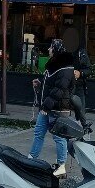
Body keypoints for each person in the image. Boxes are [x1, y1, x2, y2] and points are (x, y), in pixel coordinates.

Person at [29, 39, 76, 177]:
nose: (48, 49)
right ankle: (31, 160)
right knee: (38, 132)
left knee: (59, 137)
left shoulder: (66, 68)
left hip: (58, 108)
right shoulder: (54, 65)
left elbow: (60, 89)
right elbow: (52, 84)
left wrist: (46, 106)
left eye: (50, 47)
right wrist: (41, 82)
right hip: (48, 107)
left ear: (56, 49)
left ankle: (61, 166)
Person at [73, 44, 91, 110]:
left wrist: (80, 73)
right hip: (64, 86)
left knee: (81, 112)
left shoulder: (81, 52)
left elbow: (88, 70)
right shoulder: (62, 50)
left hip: (78, 85)